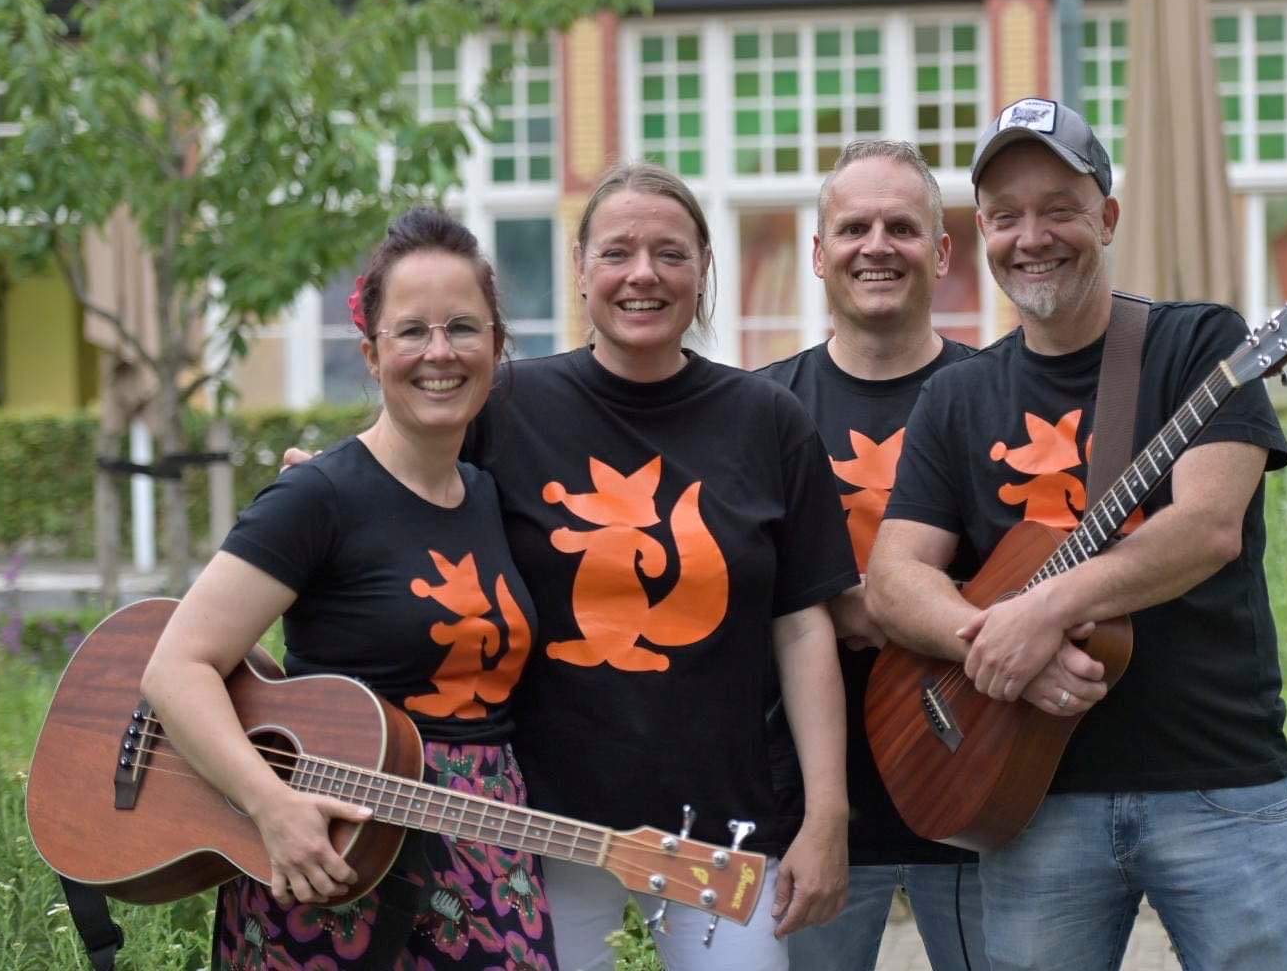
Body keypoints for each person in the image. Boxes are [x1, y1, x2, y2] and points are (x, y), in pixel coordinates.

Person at [868, 98, 1287, 971]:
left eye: (1059, 210)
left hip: (1217, 783)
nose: (1032, 236)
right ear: (982, 232)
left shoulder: (1202, 345)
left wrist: (1047, 608)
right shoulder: (957, 395)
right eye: (1006, 216)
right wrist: (998, 643)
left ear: (1107, 217)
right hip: (1031, 793)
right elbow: (893, 578)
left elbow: (1208, 528)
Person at [463, 162, 856, 971]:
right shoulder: (502, 408)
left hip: (722, 828)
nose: (642, 273)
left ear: (703, 268)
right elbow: (402, 497)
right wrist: (329, 486)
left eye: (670, 253)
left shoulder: (768, 422)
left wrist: (827, 815)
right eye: (617, 252)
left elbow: (802, 629)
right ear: (580, 268)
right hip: (545, 825)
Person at [143, 208, 558, 970]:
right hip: (331, 862)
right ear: (371, 353)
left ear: (498, 346)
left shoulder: (490, 496)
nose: (440, 352)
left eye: (463, 328)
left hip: (488, 855)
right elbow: (176, 667)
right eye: (412, 331)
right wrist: (271, 806)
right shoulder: (317, 496)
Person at [757, 140, 992, 971]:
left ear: (943, 250)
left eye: (902, 227)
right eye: (854, 228)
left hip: (978, 785)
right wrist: (843, 600)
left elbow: (1035, 571)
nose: (877, 246)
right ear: (819, 254)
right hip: (811, 812)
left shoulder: (997, 395)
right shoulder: (761, 410)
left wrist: (875, 606)